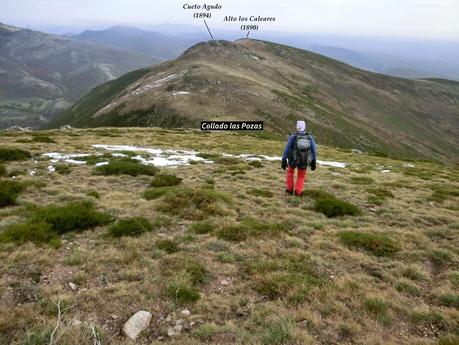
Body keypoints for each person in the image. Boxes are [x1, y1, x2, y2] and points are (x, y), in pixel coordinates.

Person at [281, 120, 317, 196]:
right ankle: (298, 192)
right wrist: (314, 160)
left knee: (290, 173)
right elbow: (314, 149)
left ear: (297, 127)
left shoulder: (293, 137)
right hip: (304, 160)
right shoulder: (309, 137)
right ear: (304, 127)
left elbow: (286, 149)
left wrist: (284, 159)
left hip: (293, 159)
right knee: (301, 176)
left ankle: (289, 190)